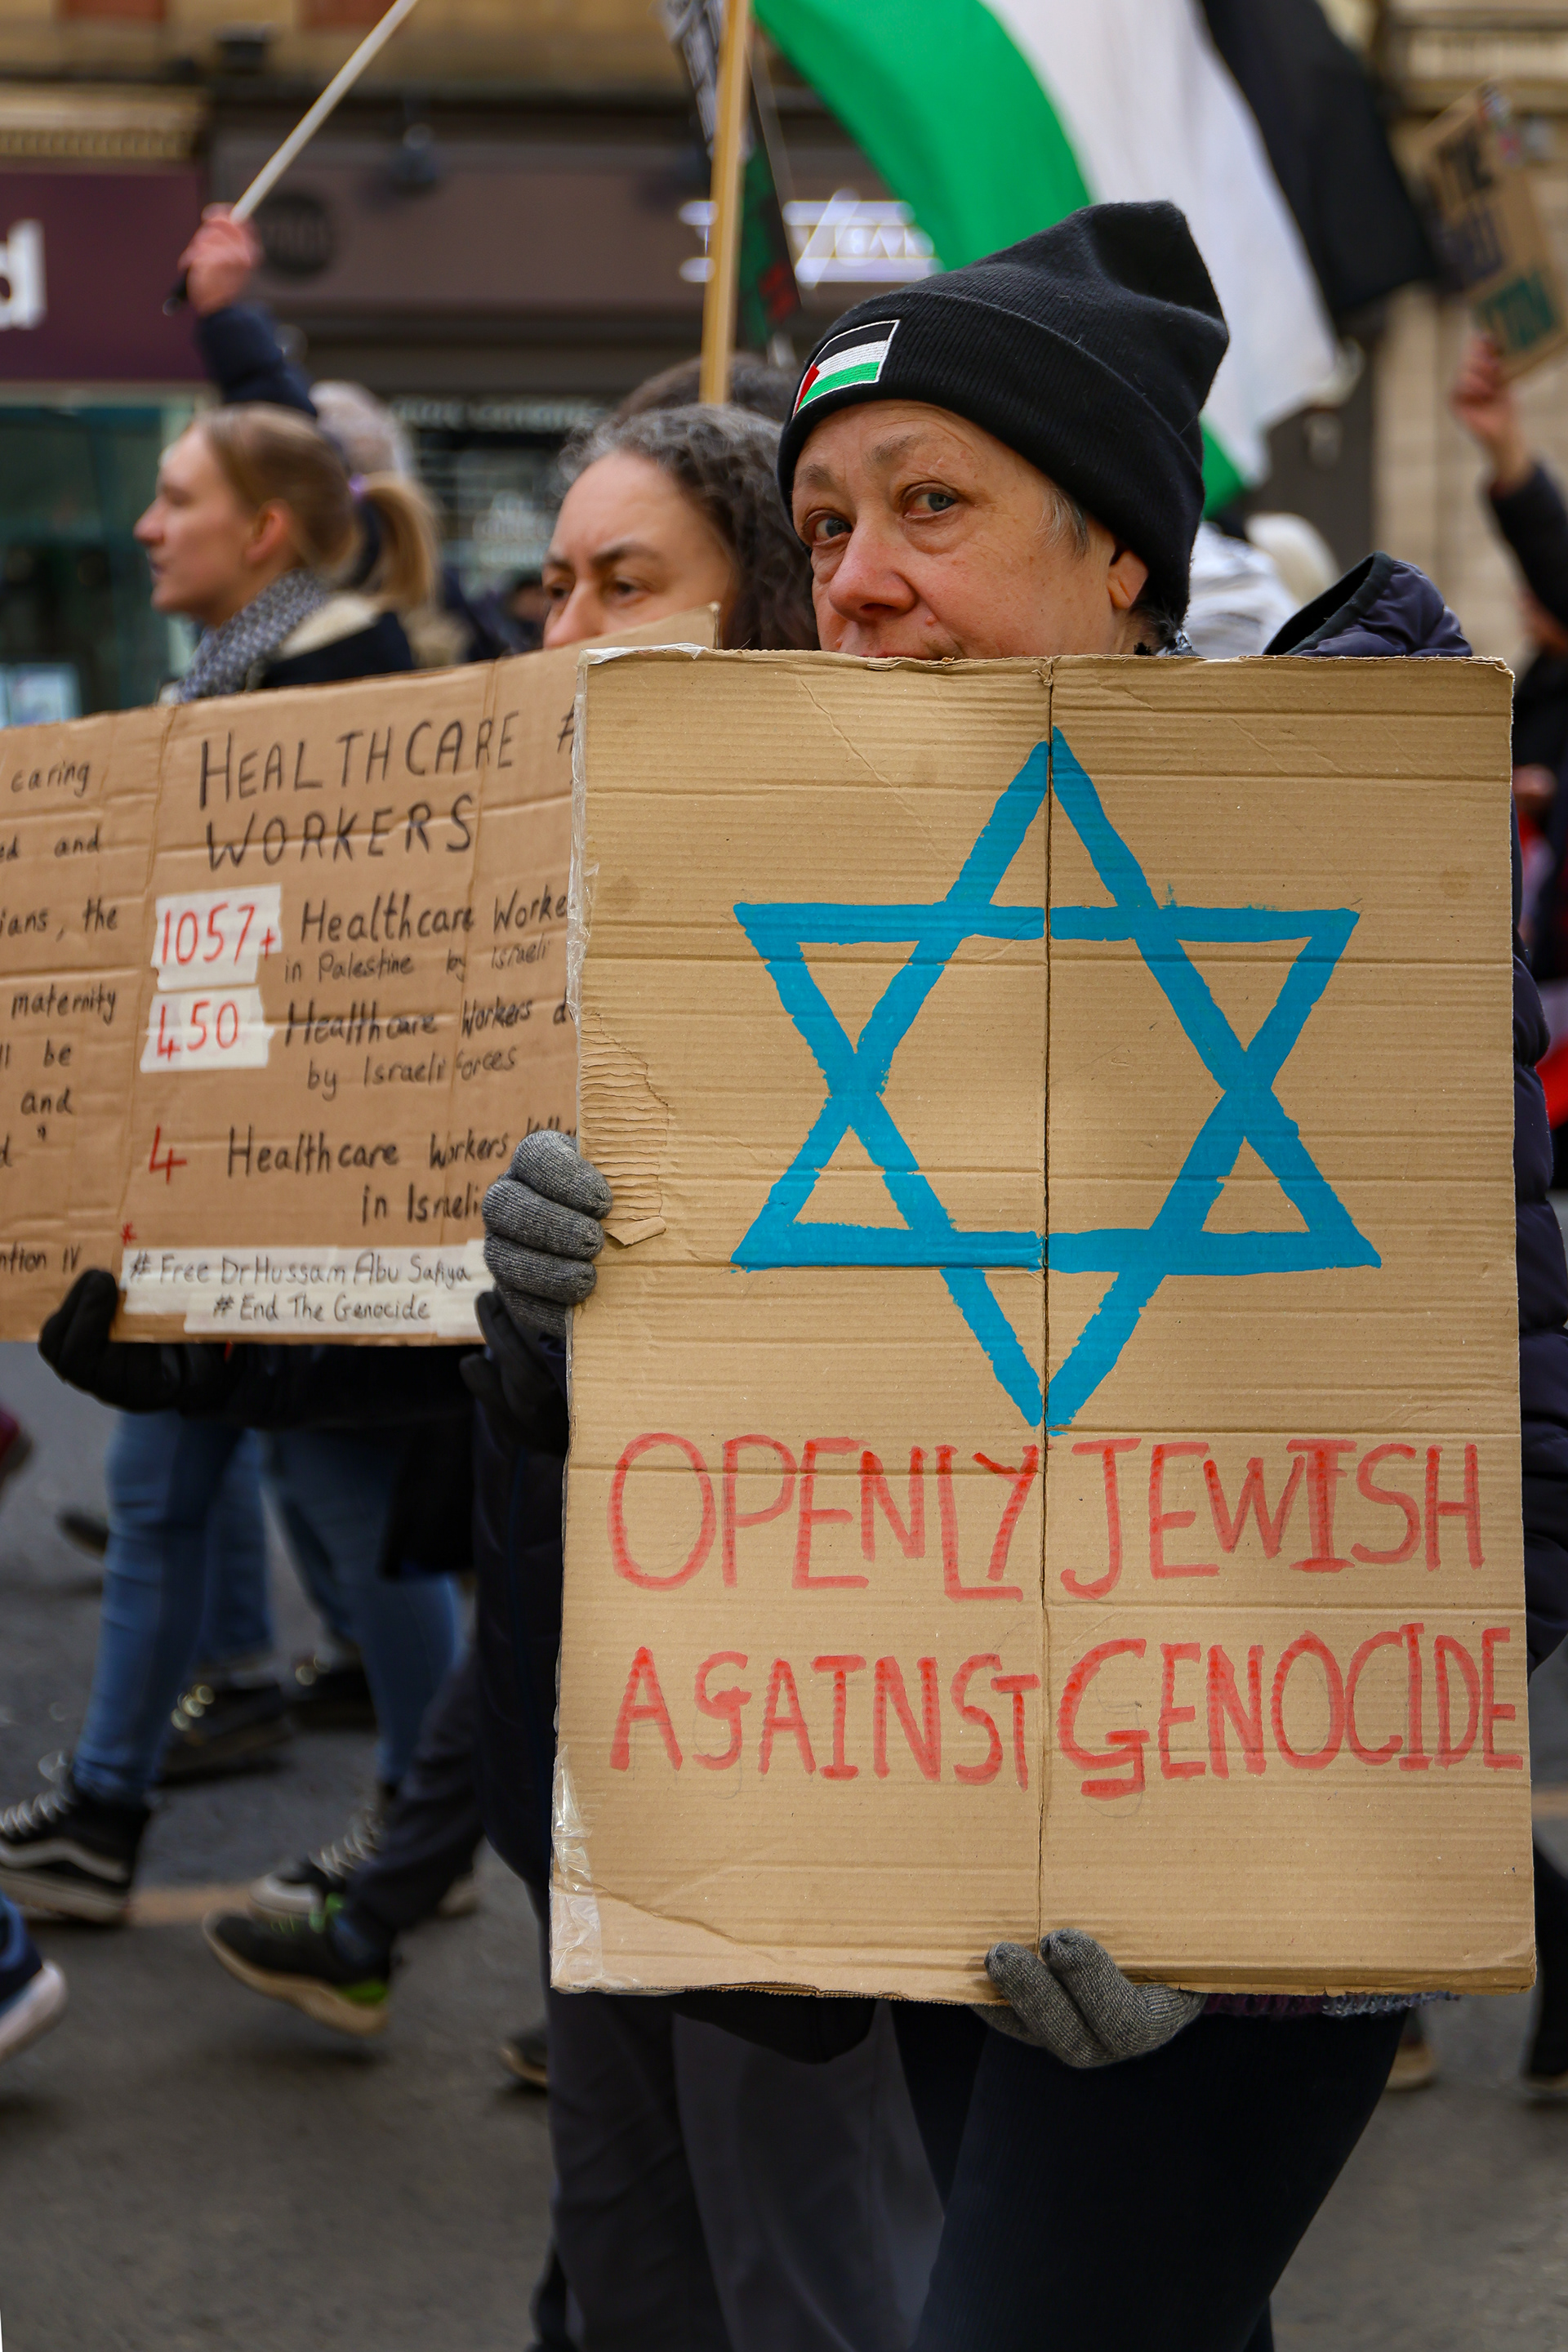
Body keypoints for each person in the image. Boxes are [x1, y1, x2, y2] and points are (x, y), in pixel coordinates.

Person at [488, 203, 1568, 2350]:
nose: (858, 575)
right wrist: (550, 1327)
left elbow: (1514, 1439)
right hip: (928, 1827)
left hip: (1240, 1888)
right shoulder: (775, 894)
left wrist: (1230, 1873)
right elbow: (741, 1422)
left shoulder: (1336, 888)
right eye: (822, 521)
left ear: (1126, 567)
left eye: (933, 505)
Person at [65, 398, 939, 2351]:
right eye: (552, 587)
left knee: (810, 2285)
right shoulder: (528, 920)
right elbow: (410, 1316)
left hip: (802, 1773)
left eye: (627, 586)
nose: (561, 634)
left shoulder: (876, 929)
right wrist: (162, 1332)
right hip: (587, 1770)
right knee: (618, 2282)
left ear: (771, 621)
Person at [0, 404, 465, 1925]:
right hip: (197, 1169)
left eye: (174, 496)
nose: (145, 524)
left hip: (294, 1186)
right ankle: (113, 1806)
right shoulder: (238, 665)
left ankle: (426, 1821)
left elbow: (319, 938)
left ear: (262, 530)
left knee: (344, 1507)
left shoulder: (333, 666)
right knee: (159, 1492)